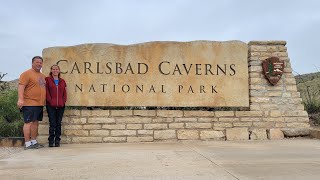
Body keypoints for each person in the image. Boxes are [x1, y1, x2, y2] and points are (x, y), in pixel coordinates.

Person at [17, 56, 46, 150]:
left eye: (40, 62)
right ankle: (27, 143)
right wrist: (20, 99)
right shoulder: (26, 74)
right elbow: (21, 87)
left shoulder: (42, 76)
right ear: (32, 63)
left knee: (35, 123)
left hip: (39, 104)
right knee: (28, 122)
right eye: (37, 62)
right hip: (29, 103)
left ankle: (34, 141)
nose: (39, 64)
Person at [45, 64, 67, 147]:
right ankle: (51, 141)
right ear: (51, 70)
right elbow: (46, 92)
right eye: (53, 69)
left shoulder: (62, 81)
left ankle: (57, 140)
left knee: (58, 123)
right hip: (51, 105)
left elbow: (65, 93)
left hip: (61, 105)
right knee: (52, 123)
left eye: (57, 69)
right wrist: (50, 101)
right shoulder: (47, 79)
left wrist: (63, 101)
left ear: (59, 71)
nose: (55, 70)